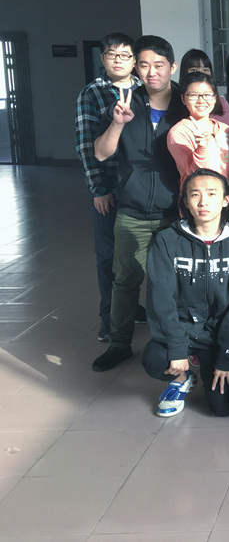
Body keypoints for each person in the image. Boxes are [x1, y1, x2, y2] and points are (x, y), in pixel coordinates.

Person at [91, 35, 182, 372]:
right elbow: (102, 153)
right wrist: (118, 123)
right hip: (132, 210)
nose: (151, 72)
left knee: (170, 284)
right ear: (135, 68)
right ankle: (119, 344)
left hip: (176, 212)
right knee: (125, 281)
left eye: (159, 65)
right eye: (143, 65)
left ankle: (171, 345)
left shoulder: (187, 103)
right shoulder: (125, 102)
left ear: (172, 67)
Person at [141, 169, 229, 417]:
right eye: (194, 194)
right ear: (185, 202)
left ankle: (206, 365)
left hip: (218, 333)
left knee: (226, 407)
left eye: (211, 194)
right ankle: (181, 379)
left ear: (226, 200)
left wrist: (226, 358)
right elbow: (160, 299)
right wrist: (177, 348)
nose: (203, 202)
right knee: (155, 359)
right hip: (183, 328)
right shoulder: (166, 240)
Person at [75, 32, 141, 342]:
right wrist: (98, 188)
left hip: (139, 185)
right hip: (110, 189)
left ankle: (131, 307)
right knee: (108, 257)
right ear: (103, 58)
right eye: (112, 55)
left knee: (137, 255)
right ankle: (108, 318)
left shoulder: (144, 89)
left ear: (133, 60)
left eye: (125, 55)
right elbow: (85, 145)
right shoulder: (92, 93)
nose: (118, 60)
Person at [167, 71, 229, 187]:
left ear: (215, 98)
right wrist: (202, 148)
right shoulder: (178, 132)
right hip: (199, 195)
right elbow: (195, 174)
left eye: (207, 95)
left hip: (225, 195)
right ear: (183, 99)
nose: (201, 101)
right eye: (193, 95)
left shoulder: (224, 129)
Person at [179, 49, 229, 126]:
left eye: (205, 70)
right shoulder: (176, 102)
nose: (201, 73)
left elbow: (226, 132)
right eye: (194, 70)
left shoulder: (222, 104)